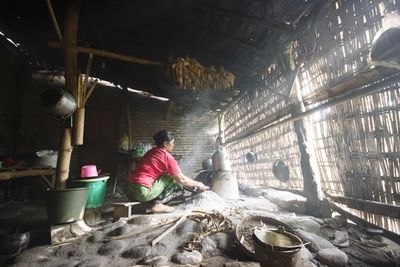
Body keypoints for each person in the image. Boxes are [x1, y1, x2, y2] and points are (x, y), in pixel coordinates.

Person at [123, 129, 209, 213]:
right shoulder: (167, 157)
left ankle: (150, 202)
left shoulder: (151, 152)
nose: (173, 145)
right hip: (141, 191)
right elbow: (181, 179)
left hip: (127, 189)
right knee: (171, 177)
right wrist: (198, 184)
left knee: (167, 175)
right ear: (165, 143)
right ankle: (157, 204)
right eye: (172, 143)